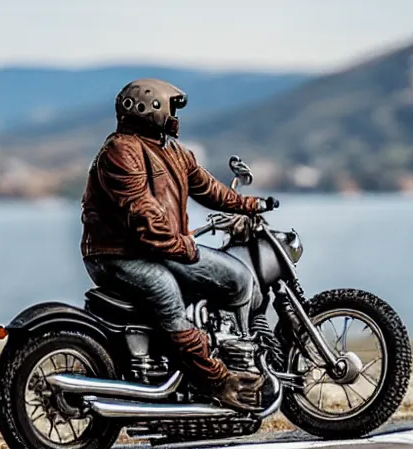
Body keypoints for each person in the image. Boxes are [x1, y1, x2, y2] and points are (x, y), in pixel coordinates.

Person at [80, 78, 277, 412]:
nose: (175, 114)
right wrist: (181, 246)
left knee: (235, 278)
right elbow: (141, 210)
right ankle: (216, 381)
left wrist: (251, 205)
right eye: (171, 106)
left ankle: (230, 352)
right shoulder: (122, 150)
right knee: (170, 287)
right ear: (149, 106)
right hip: (118, 256)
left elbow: (209, 189)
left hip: (154, 249)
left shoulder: (173, 151)